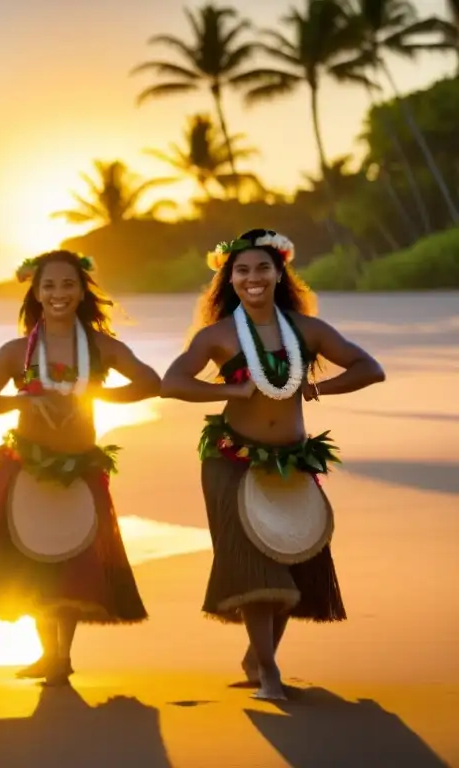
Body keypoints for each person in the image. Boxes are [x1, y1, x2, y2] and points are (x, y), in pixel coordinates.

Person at [159, 228, 385, 700]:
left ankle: (257, 657)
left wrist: (319, 388)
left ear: (280, 272)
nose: (253, 277)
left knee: (293, 558)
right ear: (229, 278)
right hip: (230, 459)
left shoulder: (307, 330)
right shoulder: (217, 335)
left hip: (291, 460)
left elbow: (369, 367)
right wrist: (228, 390)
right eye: (242, 270)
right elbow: (172, 382)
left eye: (263, 267)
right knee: (254, 569)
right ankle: (269, 672)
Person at [0, 250, 159, 686]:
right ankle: (46, 653)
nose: (58, 293)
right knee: (34, 558)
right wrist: (25, 399)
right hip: (26, 467)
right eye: (48, 286)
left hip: (80, 467)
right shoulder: (17, 351)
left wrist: (95, 394)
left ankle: (62, 655)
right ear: (35, 292)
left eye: (68, 284)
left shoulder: (99, 348)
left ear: (82, 290)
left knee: (72, 558)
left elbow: (151, 381)